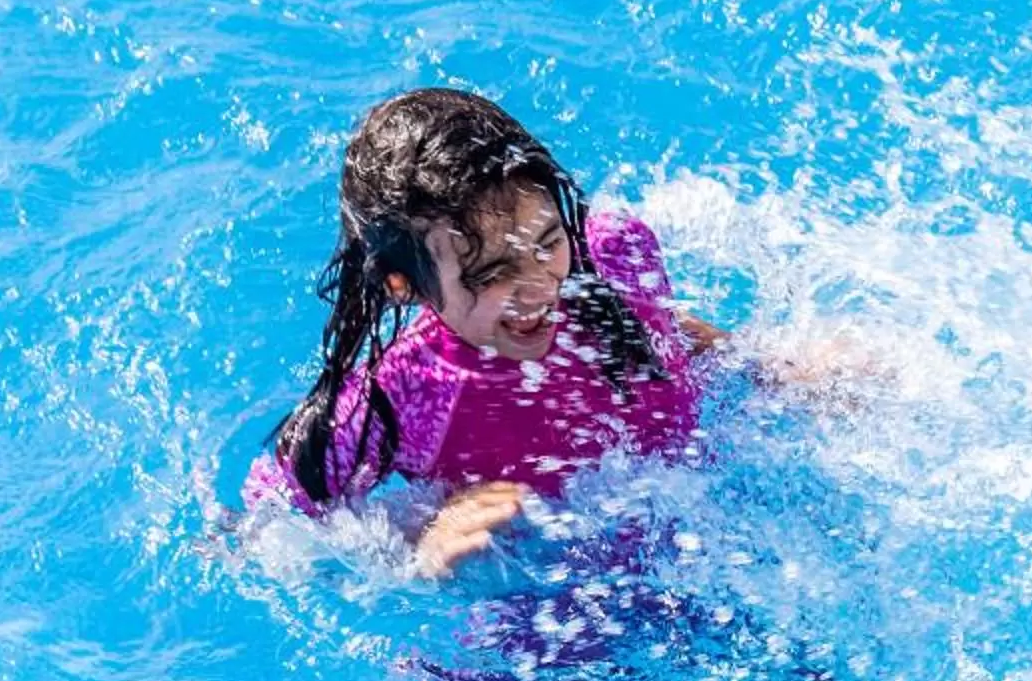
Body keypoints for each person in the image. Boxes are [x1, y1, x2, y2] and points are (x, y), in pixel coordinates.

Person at [248, 86, 735, 577]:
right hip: (539, 616)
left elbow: (662, 331)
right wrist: (421, 542)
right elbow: (263, 530)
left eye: (547, 242)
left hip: (713, 552)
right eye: (489, 275)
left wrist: (775, 369)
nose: (539, 289)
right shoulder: (402, 399)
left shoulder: (613, 254)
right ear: (404, 285)